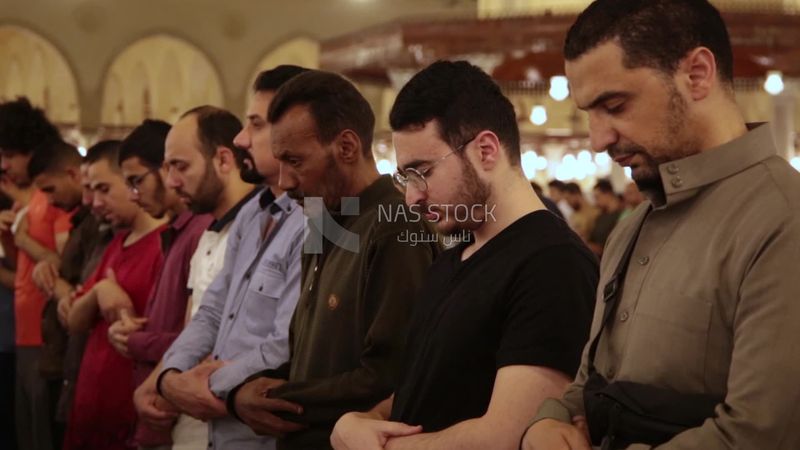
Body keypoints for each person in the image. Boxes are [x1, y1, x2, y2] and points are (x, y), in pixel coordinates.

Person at [522, 1, 800, 449]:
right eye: (590, 113)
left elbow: (759, 435)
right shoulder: (631, 230)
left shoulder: (783, 218)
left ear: (696, 74)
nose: (598, 139)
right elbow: (592, 382)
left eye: (614, 105)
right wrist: (548, 422)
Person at [330, 60, 597, 450]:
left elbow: (504, 437)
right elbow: (425, 391)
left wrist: (377, 446)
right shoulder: (453, 259)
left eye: (423, 172)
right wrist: (364, 420)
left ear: (486, 151)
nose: (412, 196)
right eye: (405, 177)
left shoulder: (553, 264)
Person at [229, 70, 439, 450]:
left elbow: (389, 376)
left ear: (345, 147)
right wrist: (246, 390)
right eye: (280, 162)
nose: (286, 180)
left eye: (295, 160)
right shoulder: (324, 220)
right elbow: (309, 356)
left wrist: (273, 398)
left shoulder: (394, 224)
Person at [151, 66, 308, 450]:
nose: (241, 139)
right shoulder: (254, 211)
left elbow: (289, 341)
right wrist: (170, 375)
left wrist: (206, 387)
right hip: (221, 429)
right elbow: (213, 310)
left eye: (255, 125)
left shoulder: (321, 219)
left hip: (262, 434)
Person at [112, 120, 214, 449]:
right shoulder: (178, 230)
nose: (132, 194)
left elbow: (203, 333)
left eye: (137, 181)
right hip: (163, 403)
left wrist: (136, 340)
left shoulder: (201, 230)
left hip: (182, 410)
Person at [63, 140, 167, 450]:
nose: (94, 202)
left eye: (104, 189)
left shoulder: (165, 244)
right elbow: (74, 321)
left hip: (129, 405)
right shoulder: (117, 242)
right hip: (92, 402)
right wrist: (99, 290)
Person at [0, 97, 72, 450]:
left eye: (10, 154)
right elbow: (22, 277)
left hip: (46, 338)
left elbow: (64, 265)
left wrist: (22, 238)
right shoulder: (25, 202)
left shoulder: (52, 197)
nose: (4, 164)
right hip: (24, 333)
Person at [587, 179, 623, 257]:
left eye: (597, 197)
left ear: (608, 194)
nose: (596, 202)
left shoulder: (622, 215)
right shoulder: (600, 216)